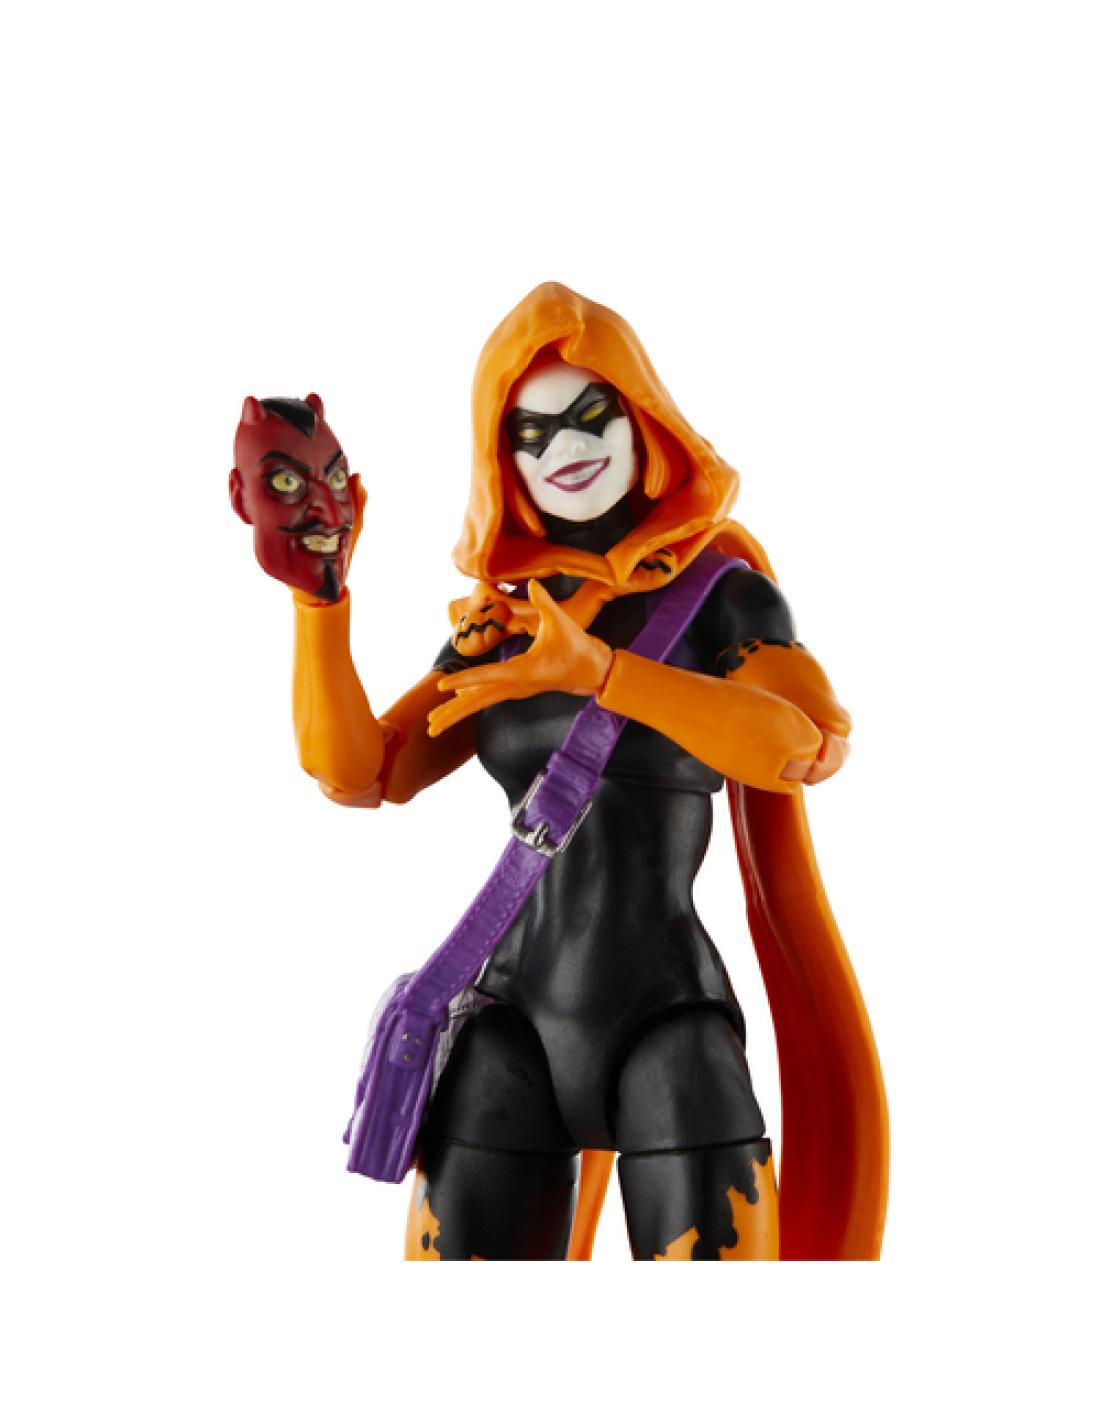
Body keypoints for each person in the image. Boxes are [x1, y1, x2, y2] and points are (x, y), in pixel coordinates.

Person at [230, 283, 888, 1260]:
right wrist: (320, 605)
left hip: (670, 1021)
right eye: (529, 434)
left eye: (590, 415)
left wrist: (602, 673)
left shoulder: (720, 596)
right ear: (500, 459)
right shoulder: (508, 620)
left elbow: (804, 744)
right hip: (510, 1023)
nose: (563, 449)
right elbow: (362, 773)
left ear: (643, 421)